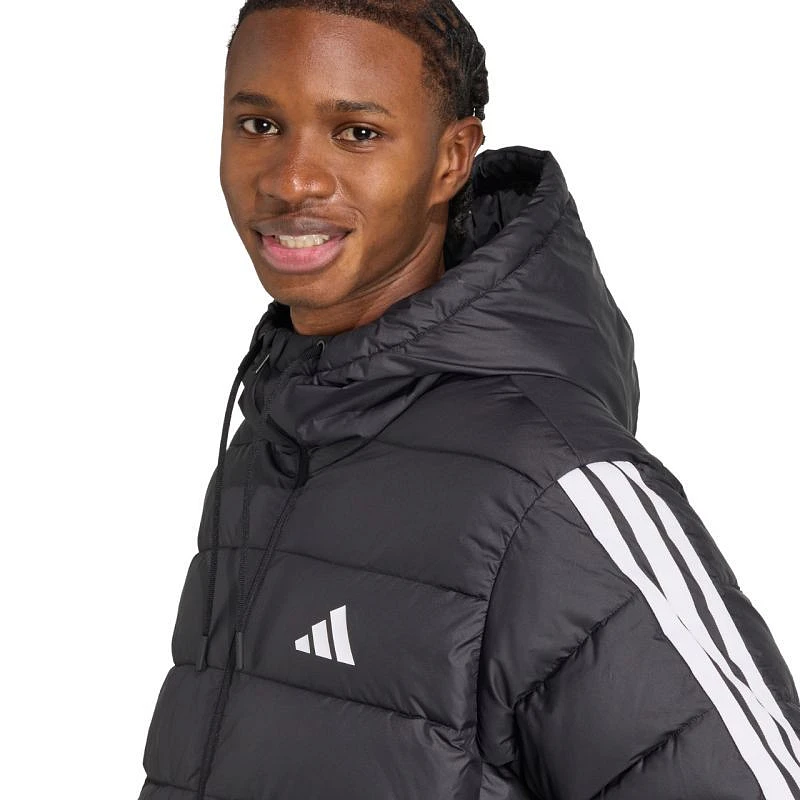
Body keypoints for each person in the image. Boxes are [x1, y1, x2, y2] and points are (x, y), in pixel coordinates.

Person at [137, 1, 800, 798]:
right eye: (259, 126)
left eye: (357, 133)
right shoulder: (271, 443)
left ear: (452, 160)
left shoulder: (551, 485)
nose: (291, 180)